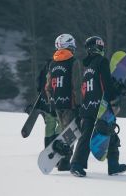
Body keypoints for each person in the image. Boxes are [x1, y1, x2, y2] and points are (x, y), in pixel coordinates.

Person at [70, 36, 126, 177]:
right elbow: (106, 83)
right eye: (100, 46)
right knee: (92, 133)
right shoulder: (102, 62)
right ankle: (76, 164)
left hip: (87, 104)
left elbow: (83, 87)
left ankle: (113, 165)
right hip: (100, 106)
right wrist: (115, 96)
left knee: (108, 133)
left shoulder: (86, 66)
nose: (101, 49)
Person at [44, 34, 81, 171]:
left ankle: (60, 159)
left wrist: (51, 101)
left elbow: (48, 86)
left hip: (56, 103)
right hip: (69, 104)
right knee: (70, 134)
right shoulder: (73, 62)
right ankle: (65, 162)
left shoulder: (52, 63)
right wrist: (78, 104)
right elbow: (76, 85)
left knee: (64, 131)